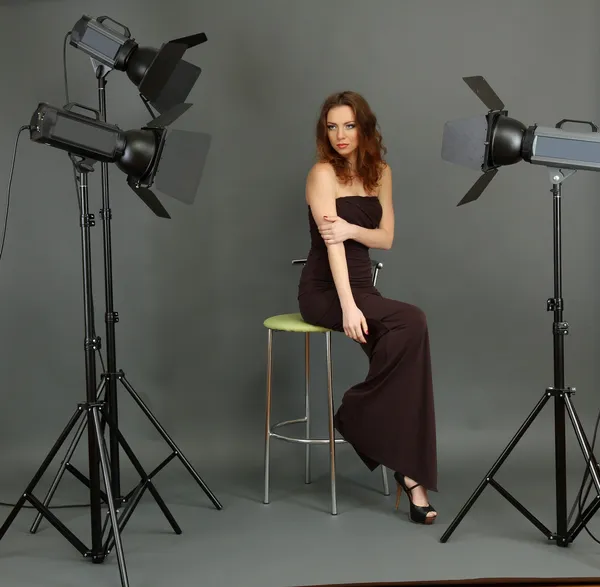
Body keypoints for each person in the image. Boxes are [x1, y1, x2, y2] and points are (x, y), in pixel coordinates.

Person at [297, 90, 438, 524]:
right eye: (332, 126)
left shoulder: (381, 174)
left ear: (365, 128)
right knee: (410, 322)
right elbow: (333, 246)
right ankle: (397, 460)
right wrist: (347, 308)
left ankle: (394, 455)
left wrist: (353, 227)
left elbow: (386, 239)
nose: (340, 135)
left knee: (408, 335)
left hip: (364, 290)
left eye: (349, 125)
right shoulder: (322, 174)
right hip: (326, 289)